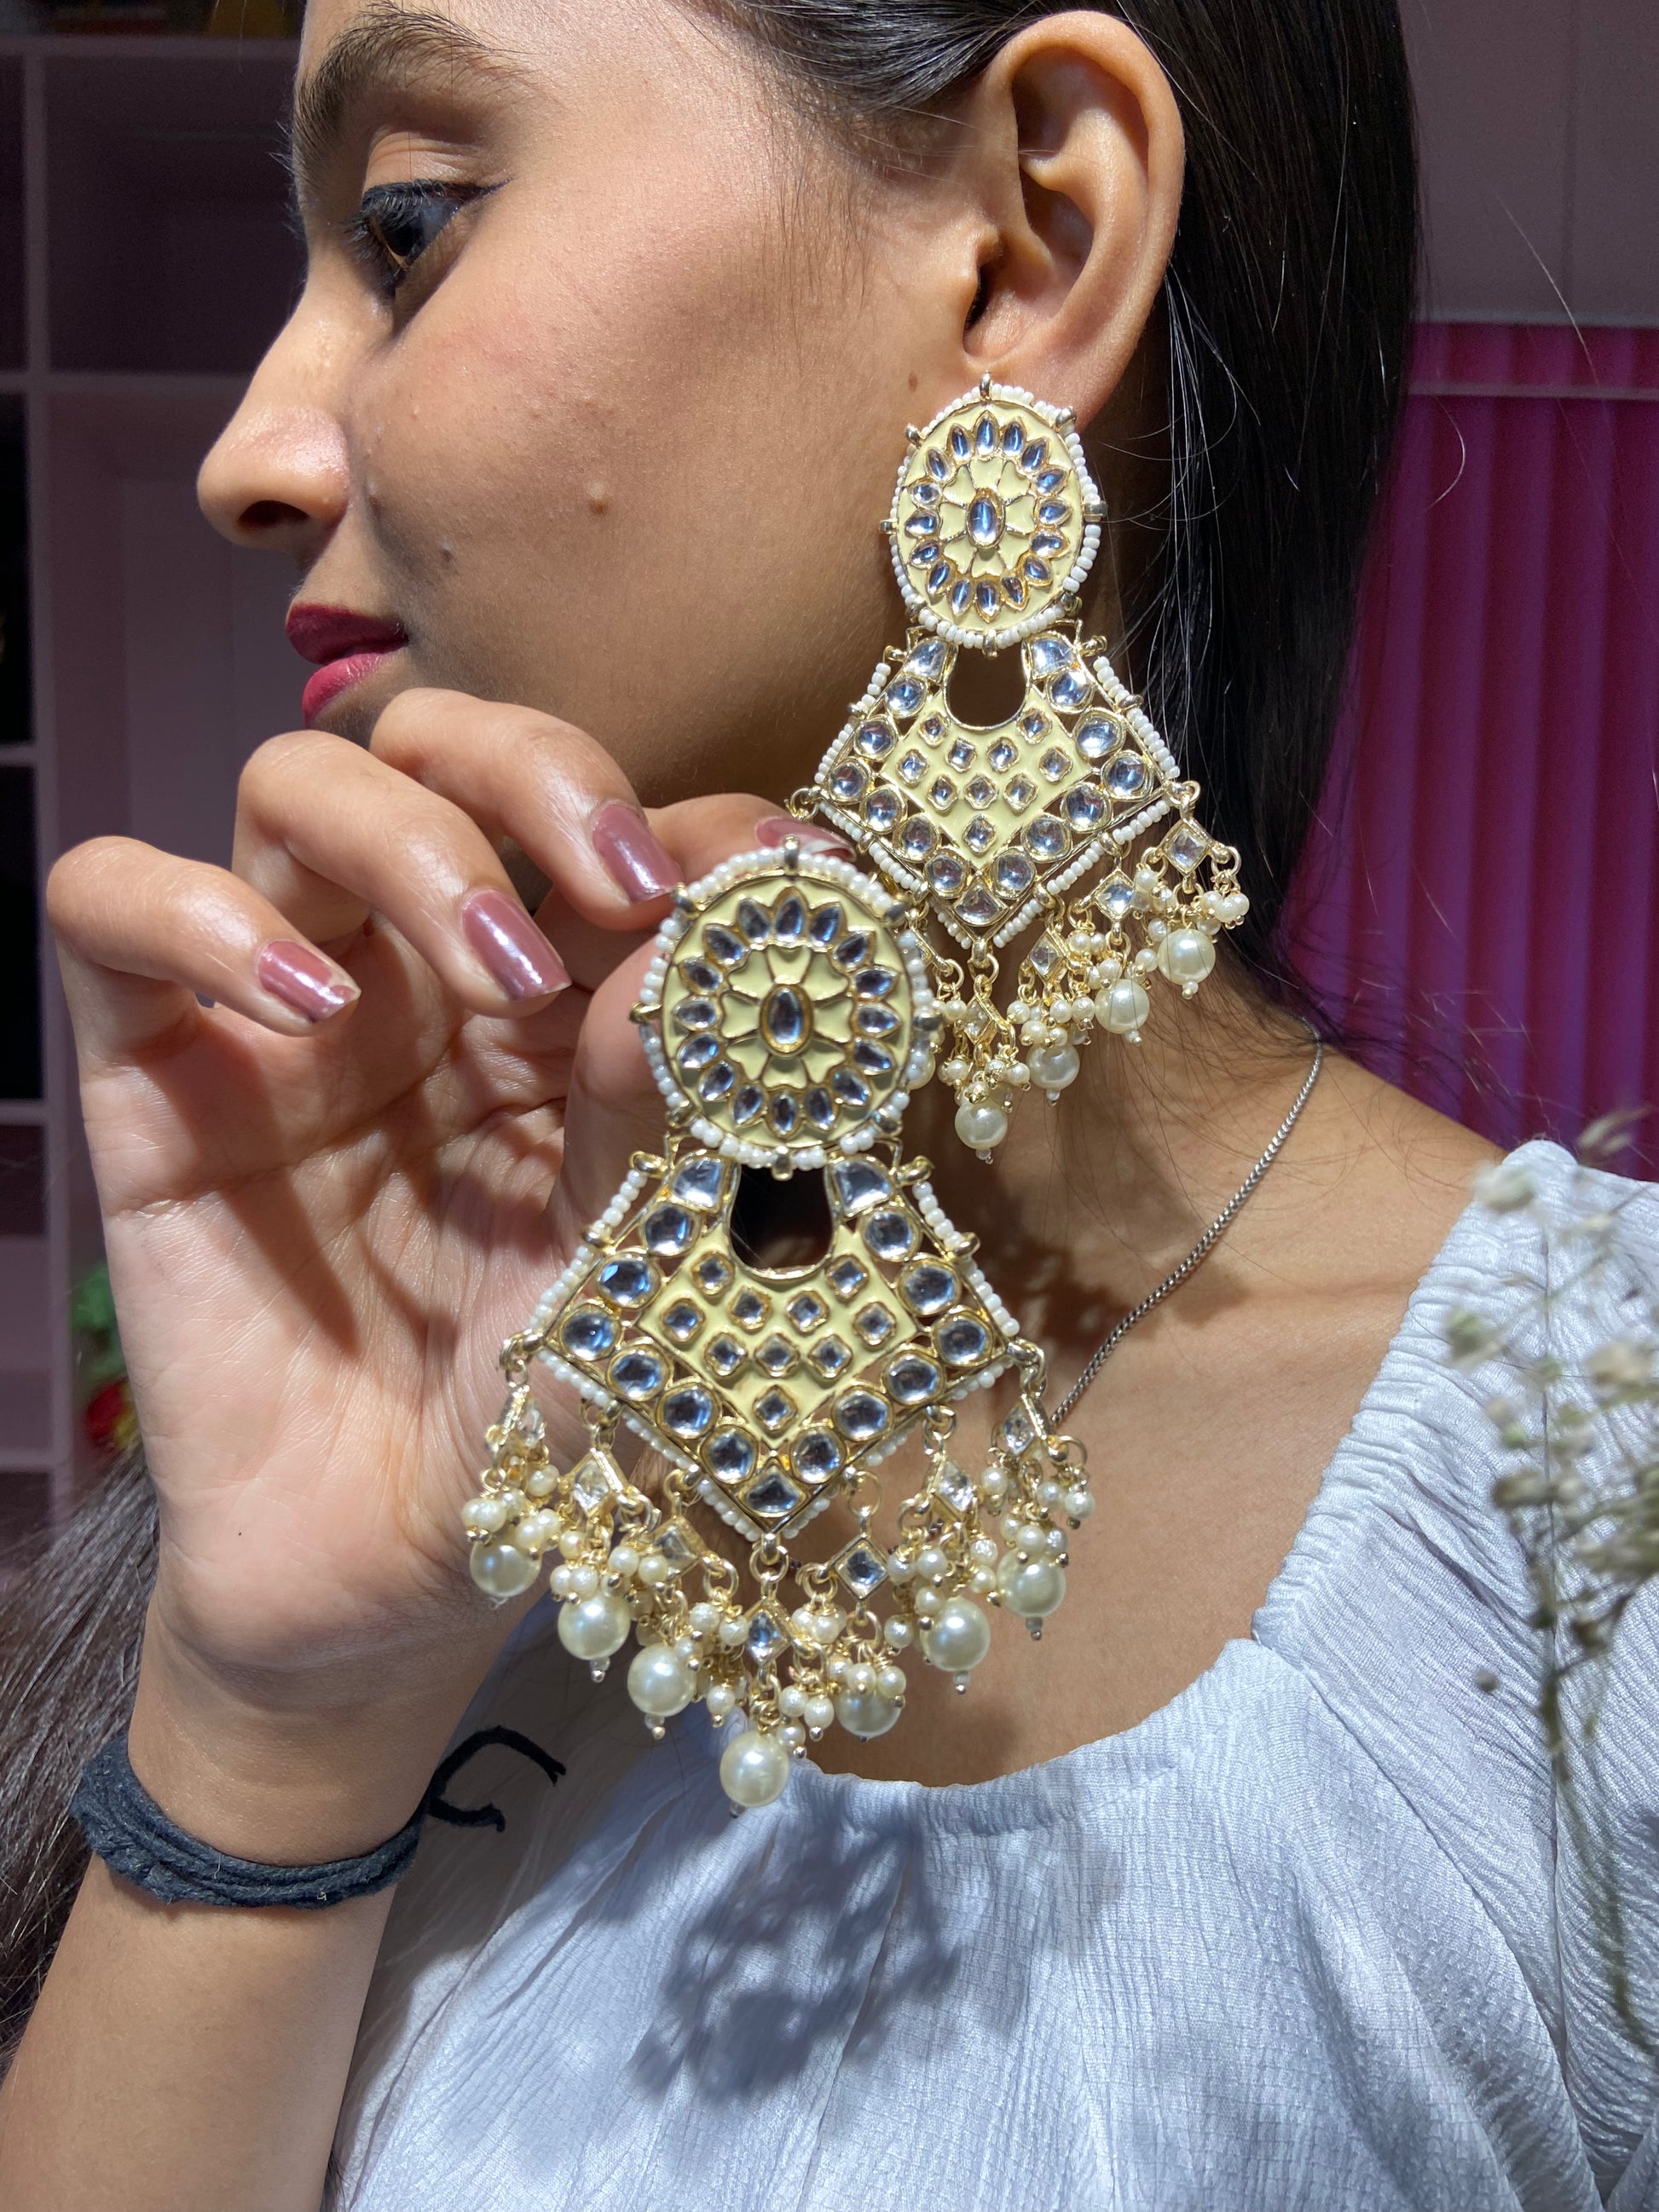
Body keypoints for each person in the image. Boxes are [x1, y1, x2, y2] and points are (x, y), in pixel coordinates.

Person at [1, 1, 1654, 2205]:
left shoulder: (1599, 1512)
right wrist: (272, 1708)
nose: (251, 451)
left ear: (1026, 248)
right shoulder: (446, 1367)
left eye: (406, 228)